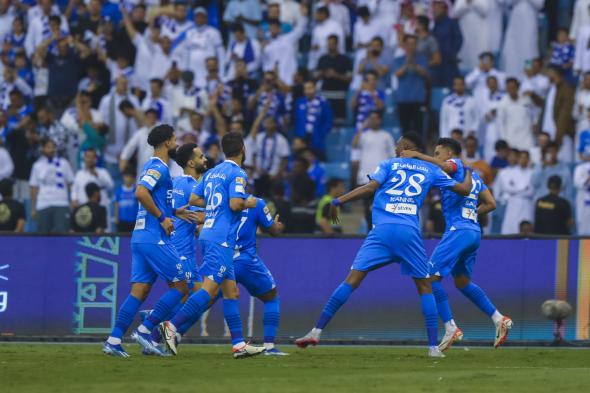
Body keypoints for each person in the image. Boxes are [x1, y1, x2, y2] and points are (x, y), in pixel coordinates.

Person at [294, 133, 473, 358]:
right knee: (425, 287)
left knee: (351, 280)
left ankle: (316, 331)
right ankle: (432, 348)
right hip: (408, 231)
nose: (396, 148)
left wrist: (339, 200)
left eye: (398, 144)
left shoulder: (389, 164)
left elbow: (370, 188)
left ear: (407, 146)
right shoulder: (432, 170)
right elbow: (464, 190)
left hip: (381, 231)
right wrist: (468, 172)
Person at [161, 132, 266, 359]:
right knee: (208, 291)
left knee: (231, 292)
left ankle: (238, 344)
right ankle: (171, 326)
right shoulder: (238, 173)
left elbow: (194, 200)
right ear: (242, 149)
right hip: (222, 238)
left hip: (209, 233)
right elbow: (236, 202)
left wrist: (216, 209)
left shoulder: (213, 172)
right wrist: (253, 201)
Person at [401, 138, 512, 350]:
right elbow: (491, 204)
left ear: (449, 153)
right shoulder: (475, 176)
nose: (434, 157)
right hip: (473, 232)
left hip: (458, 231)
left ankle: (451, 327)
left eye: (437, 153)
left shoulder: (454, 165)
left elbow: (445, 165)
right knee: (462, 282)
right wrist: (470, 214)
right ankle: (499, 319)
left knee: (430, 279)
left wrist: (417, 155)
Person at [102, 124, 198, 358]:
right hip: (154, 237)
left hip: (141, 237)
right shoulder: (158, 167)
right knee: (182, 285)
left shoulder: (153, 166)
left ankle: (114, 340)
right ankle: (145, 330)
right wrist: (163, 217)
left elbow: (153, 197)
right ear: (166, 142)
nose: (176, 144)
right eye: (174, 140)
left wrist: (175, 212)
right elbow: (141, 192)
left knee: (139, 291)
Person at [232, 195, 286, 354]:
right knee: (271, 297)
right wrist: (278, 226)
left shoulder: (220, 200)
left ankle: (173, 331)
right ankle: (269, 347)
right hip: (245, 260)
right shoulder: (256, 203)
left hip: (221, 258)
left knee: (205, 298)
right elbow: (274, 231)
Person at [351, 110, 395, 229]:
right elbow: (354, 144)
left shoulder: (386, 136)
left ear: (380, 120)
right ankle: (370, 232)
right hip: (365, 176)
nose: (373, 121)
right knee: (367, 208)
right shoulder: (364, 135)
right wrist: (361, 128)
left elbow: (392, 156)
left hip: (382, 179)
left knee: (381, 207)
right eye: (371, 118)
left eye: (375, 118)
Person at [29, 138, 74, 233]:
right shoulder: (37, 166)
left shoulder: (64, 163)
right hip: (43, 204)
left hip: (61, 203)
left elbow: (71, 183)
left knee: (63, 234)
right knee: (43, 235)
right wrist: (33, 208)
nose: (51, 149)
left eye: (53, 147)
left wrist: (72, 200)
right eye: (48, 147)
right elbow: (34, 188)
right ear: (43, 149)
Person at [392, 35, 429, 135]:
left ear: (416, 45)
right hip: (403, 100)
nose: (411, 46)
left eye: (413, 44)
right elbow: (397, 74)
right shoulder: (398, 59)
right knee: (404, 130)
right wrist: (407, 64)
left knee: (418, 130)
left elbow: (424, 74)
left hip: (418, 99)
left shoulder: (422, 59)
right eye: (408, 44)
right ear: (404, 45)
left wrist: (415, 64)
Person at [495, 150, 535, 235]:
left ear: (528, 159)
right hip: (513, 204)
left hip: (526, 205)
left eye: (525, 158)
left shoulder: (532, 173)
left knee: (527, 233)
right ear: (518, 159)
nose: (523, 160)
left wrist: (515, 190)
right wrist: (523, 189)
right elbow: (507, 189)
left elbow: (530, 192)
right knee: (511, 230)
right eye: (521, 157)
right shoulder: (511, 172)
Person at [500, 0, 543, 77]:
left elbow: (540, 4)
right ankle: (511, 76)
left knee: (528, 49)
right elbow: (507, 2)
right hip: (515, 19)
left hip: (529, 19)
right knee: (511, 49)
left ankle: (528, 74)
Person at [294, 80, 333, 160]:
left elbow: (328, 122)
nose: (307, 91)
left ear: (315, 88)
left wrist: (320, 134)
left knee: (316, 160)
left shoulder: (323, 103)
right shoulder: (299, 102)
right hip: (302, 138)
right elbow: (297, 120)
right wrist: (299, 136)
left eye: (310, 88)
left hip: (317, 138)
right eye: (305, 89)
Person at [496, 78, 535, 152]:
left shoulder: (526, 99)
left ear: (518, 87)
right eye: (509, 88)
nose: (511, 90)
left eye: (513, 87)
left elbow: (535, 113)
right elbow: (500, 124)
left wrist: (535, 123)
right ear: (506, 89)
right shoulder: (502, 103)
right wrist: (505, 141)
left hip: (527, 137)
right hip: (511, 139)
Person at [431, 0, 462, 88]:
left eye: (438, 8)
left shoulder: (452, 23)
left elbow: (459, 39)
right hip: (436, 63)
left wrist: (453, 53)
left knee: (450, 86)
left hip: (449, 62)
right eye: (434, 8)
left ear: (445, 9)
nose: (435, 10)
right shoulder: (433, 24)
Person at [453, 0, 489, 72]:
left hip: (479, 34)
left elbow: (485, 11)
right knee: (464, 59)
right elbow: (455, 13)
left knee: (479, 57)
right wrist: (466, 4)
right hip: (464, 31)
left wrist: (473, 2)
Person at [308, 6, 344, 71]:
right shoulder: (316, 29)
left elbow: (340, 43)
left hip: (333, 60)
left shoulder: (335, 26)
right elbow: (313, 47)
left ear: (323, 14)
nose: (315, 16)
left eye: (317, 14)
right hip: (318, 60)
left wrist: (321, 46)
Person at [114, 168, 138, 233]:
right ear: (123, 177)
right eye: (126, 176)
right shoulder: (118, 191)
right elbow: (116, 205)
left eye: (130, 177)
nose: (128, 179)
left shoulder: (136, 191)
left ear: (134, 178)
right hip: (122, 221)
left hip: (134, 221)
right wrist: (116, 218)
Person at [573, 157, 590, 235]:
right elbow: (578, 183)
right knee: (582, 227)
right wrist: (588, 179)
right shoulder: (579, 168)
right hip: (583, 202)